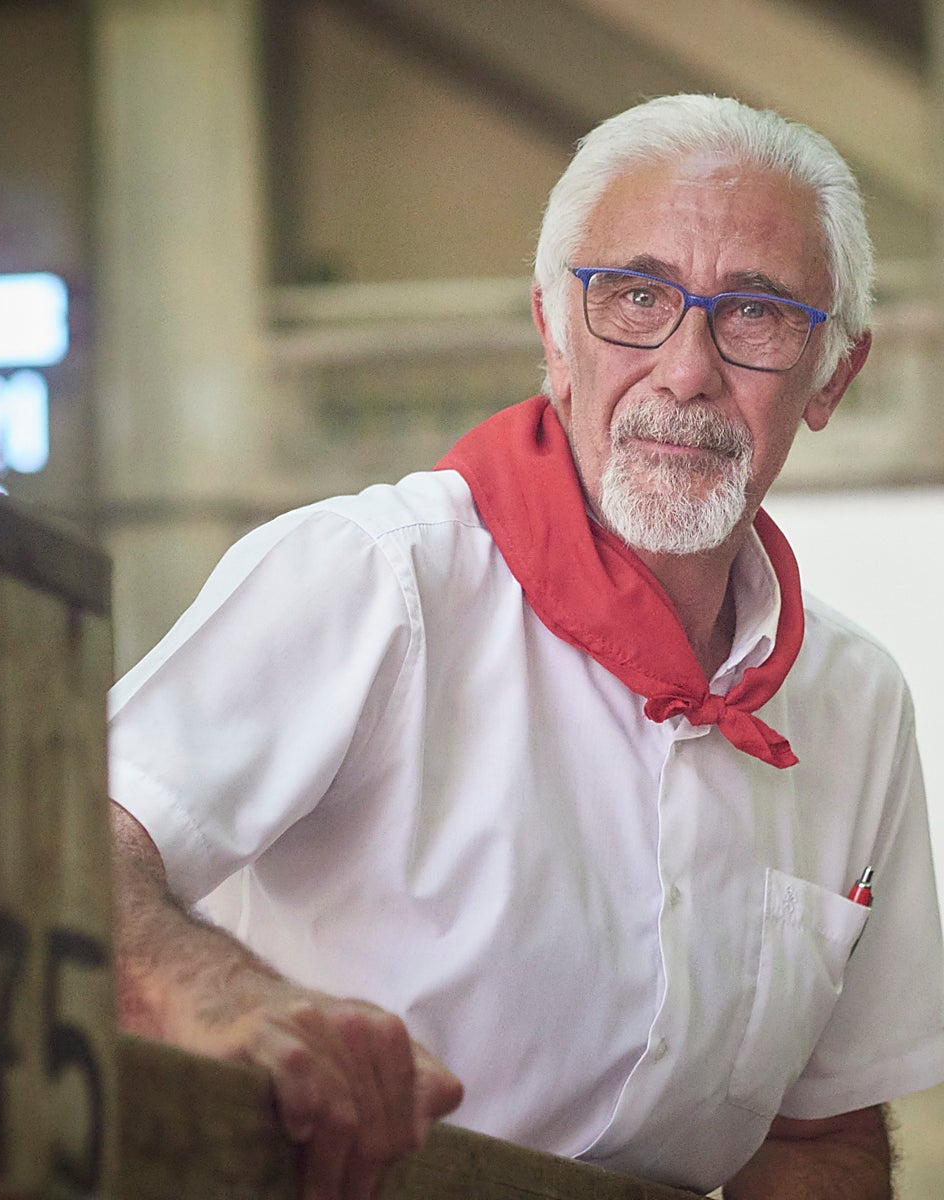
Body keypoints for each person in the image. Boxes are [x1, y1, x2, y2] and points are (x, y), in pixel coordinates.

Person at [108, 94, 944, 1199]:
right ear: (554, 330)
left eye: (756, 314)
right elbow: (62, 846)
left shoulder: (855, 701)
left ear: (833, 375)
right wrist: (215, 997)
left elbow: (813, 1139)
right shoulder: (376, 577)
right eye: (635, 298)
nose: (687, 369)